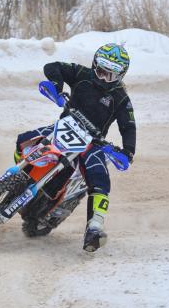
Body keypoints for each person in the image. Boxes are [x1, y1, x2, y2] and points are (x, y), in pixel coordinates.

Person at [14, 43, 136, 252]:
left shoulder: (121, 98)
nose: (103, 77)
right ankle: (17, 178)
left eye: (111, 75)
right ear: (94, 64)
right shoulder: (82, 74)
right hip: (64, 127)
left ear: (120, 75)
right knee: (24, 139)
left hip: (92, 143)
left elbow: (129, 126)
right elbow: (53, 66)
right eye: (100, 71)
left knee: (100, 176)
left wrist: (127, 152)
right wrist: (56, 85)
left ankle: (94, 229)